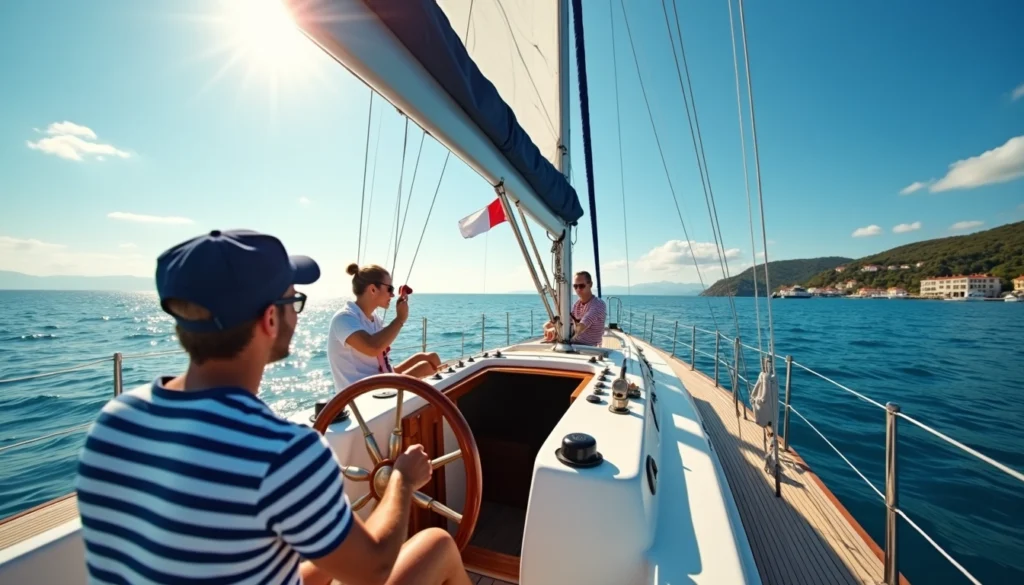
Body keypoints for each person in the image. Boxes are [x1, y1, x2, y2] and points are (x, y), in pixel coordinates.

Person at [74, 229, 470, 585]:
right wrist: (401, 480)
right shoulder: (284, 452)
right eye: (294, 301)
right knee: (437, 544)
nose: (296, 313)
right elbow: (374, 569)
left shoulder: (114, 422)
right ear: (269, 319)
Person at [328, 263, 440, 391]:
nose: (392, 295)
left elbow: (381, 355)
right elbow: (372, 347)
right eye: (389, 289)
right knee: (425, 367)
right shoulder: (344, 318)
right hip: (362, 393)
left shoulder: (375, 318)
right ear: (373, 289)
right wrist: (399, 319)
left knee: (431, 357)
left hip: (381, 378)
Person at [542, 270, 607, 346]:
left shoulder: (598, 304)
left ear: (590, 284)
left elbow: (580, 327)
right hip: (573, 345)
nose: (578, 289)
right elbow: (567, 320)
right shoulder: (577, 304)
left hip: (589, 348)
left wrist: (556, 330)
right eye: (575, 286)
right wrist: (551, 324)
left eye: (581, 286)